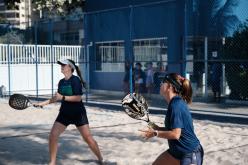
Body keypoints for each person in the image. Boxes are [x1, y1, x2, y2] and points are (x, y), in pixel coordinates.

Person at [35, 59, 103, 165]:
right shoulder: (61, 82)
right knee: (53, 135)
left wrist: (62, 97)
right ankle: (52, 162)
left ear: (70, 67)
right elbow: (57, 97)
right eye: (61, 65)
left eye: (64, 65)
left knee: (88, 138)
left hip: (78, 113)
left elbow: (78, 98)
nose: (61, 66)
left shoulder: (75, 80)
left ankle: (100, 159)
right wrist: (43, 103)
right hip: (64, 113)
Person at [140, 73, 204, 165]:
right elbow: (174, 130)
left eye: (163, 82)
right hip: (178, 152)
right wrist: (157, 128)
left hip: (189, 153)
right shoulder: (174, 102)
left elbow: (175, 134)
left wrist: (155, 133)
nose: (160, 84)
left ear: (170, 86)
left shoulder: (176, 105)